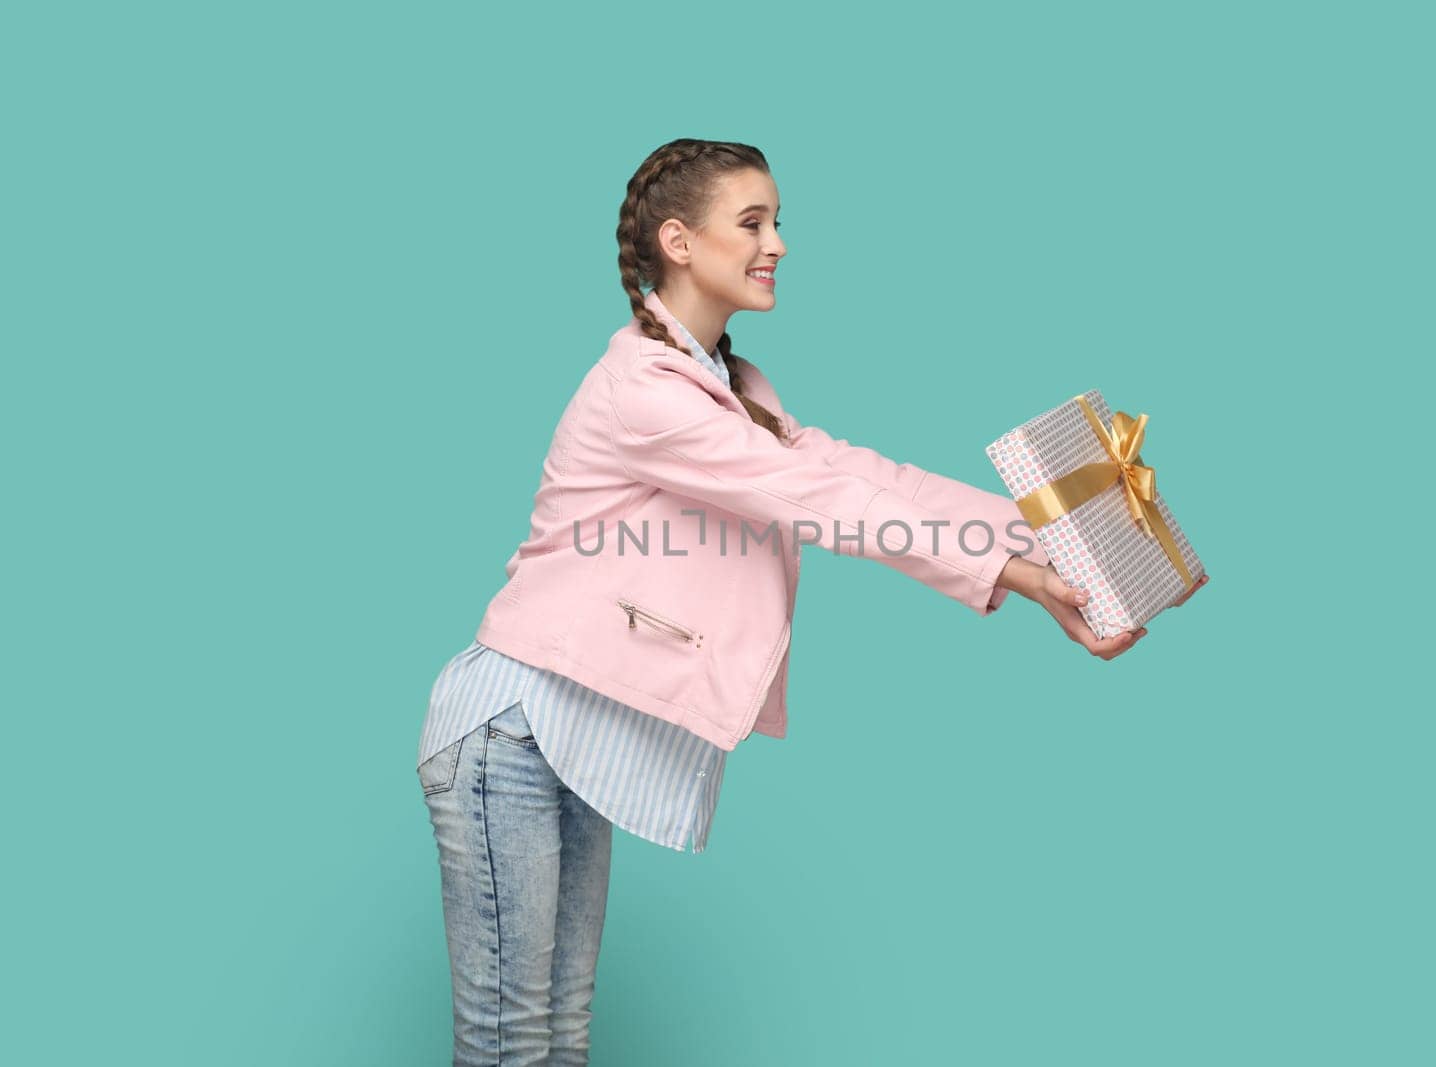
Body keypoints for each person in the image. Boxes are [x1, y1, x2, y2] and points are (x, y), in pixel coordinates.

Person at [415, 137, 1205, 1065]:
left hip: (570, 725)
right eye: (752, 222)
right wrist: (1015, 579)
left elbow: (863, 473)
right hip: (510, 727)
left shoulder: (734, 388)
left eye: (778, 221)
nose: (778, 242)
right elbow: (822, 503)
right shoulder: (642, 392)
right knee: (511, 1037)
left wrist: (1046, 533)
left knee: (563, 1029)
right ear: (678, 240)